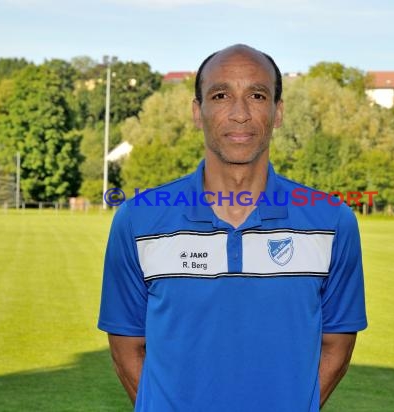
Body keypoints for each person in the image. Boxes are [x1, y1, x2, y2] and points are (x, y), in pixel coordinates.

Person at [98, 44, 367, 412]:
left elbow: (337, 346)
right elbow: (127, 346)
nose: (239, 114)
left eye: (257, 95)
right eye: (221, 95)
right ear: (198, 112)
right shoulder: (137, 220)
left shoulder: (333, 223)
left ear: (278, 112)